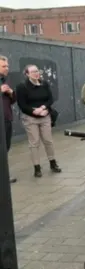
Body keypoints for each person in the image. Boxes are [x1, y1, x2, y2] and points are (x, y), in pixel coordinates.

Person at [16, 64, 62, 178]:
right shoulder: (22, 87)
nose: (36, 74)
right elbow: (22, 105)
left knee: (48, 140)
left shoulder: (44, 84)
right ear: (27, 74)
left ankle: (53, 163)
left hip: (45, 115)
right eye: (33, 72)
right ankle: (37, 167)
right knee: (34, 142)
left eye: (37, 71)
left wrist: (43, 108)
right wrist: (34, 111)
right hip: (30, 117)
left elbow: (50, 99)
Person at [0, 55, 17, 183]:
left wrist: (11, 93)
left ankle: (4, 175)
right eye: (4, 66)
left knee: (6, 148)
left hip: (7, 118)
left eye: (7, 66)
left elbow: (12, 101)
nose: (7, 68)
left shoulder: (5, 80)